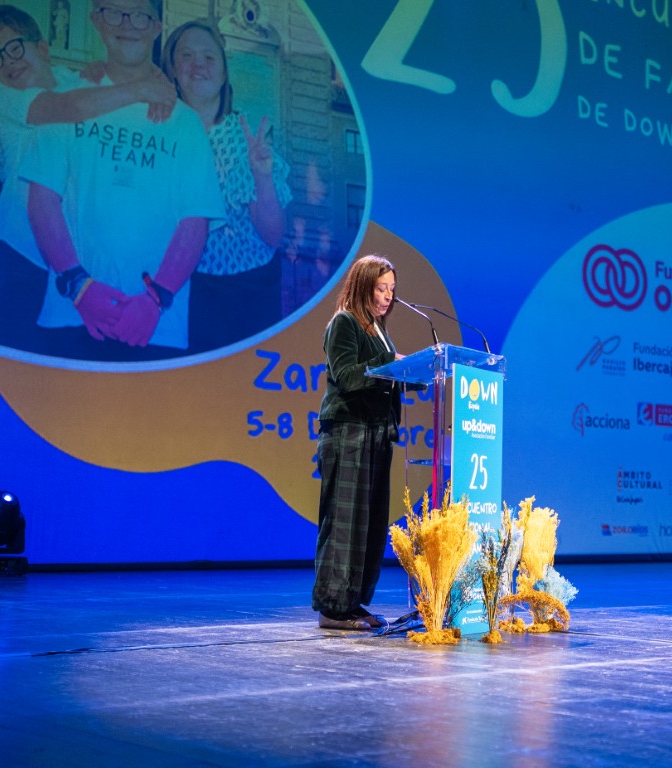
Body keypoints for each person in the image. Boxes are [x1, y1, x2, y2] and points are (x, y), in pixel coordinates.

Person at [21, 0, 225, 361]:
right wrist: (79, 286)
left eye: (140, 15)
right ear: (96, 20)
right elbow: (43, 199)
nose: (127, 24)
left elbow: (195, 220)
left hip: (156, 328)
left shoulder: (185, 123)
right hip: (70, 317)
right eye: (114, 12)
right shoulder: (65, 103)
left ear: (156, 26)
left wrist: (156, 299)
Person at [0, 3, 176, 353]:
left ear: (42, 48)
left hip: (71, 250)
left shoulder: (77, 81)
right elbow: (64, 108)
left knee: (63, 353)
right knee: (15, 351)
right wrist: (142, 88)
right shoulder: (1, 94)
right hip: (21, 247)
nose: (7, 63)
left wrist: (156, 81)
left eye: (15, 48)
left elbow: (113, 85)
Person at [162, 19, 291, 354]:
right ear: (172, 70)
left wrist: (262, 176)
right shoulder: (160, 135)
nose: (198, 64)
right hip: (178, 288)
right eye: (187, 56)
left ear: (223, 73)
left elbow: (273, 235)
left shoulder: (245, 138)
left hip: (247, 294)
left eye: (209, 57)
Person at [312, 254, 404, 630]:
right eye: (381, 288)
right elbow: (348, 376)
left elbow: (380, 372)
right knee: (345, 524)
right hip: (348, 433)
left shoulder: (378, 329)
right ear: (364, 286)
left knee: (369, 524)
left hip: (376, 434)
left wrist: (407, 373)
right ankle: (333, 608)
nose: (388, 296)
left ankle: (353, 603)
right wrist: (390, 363)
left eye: (392, 289)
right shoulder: (345, 323)